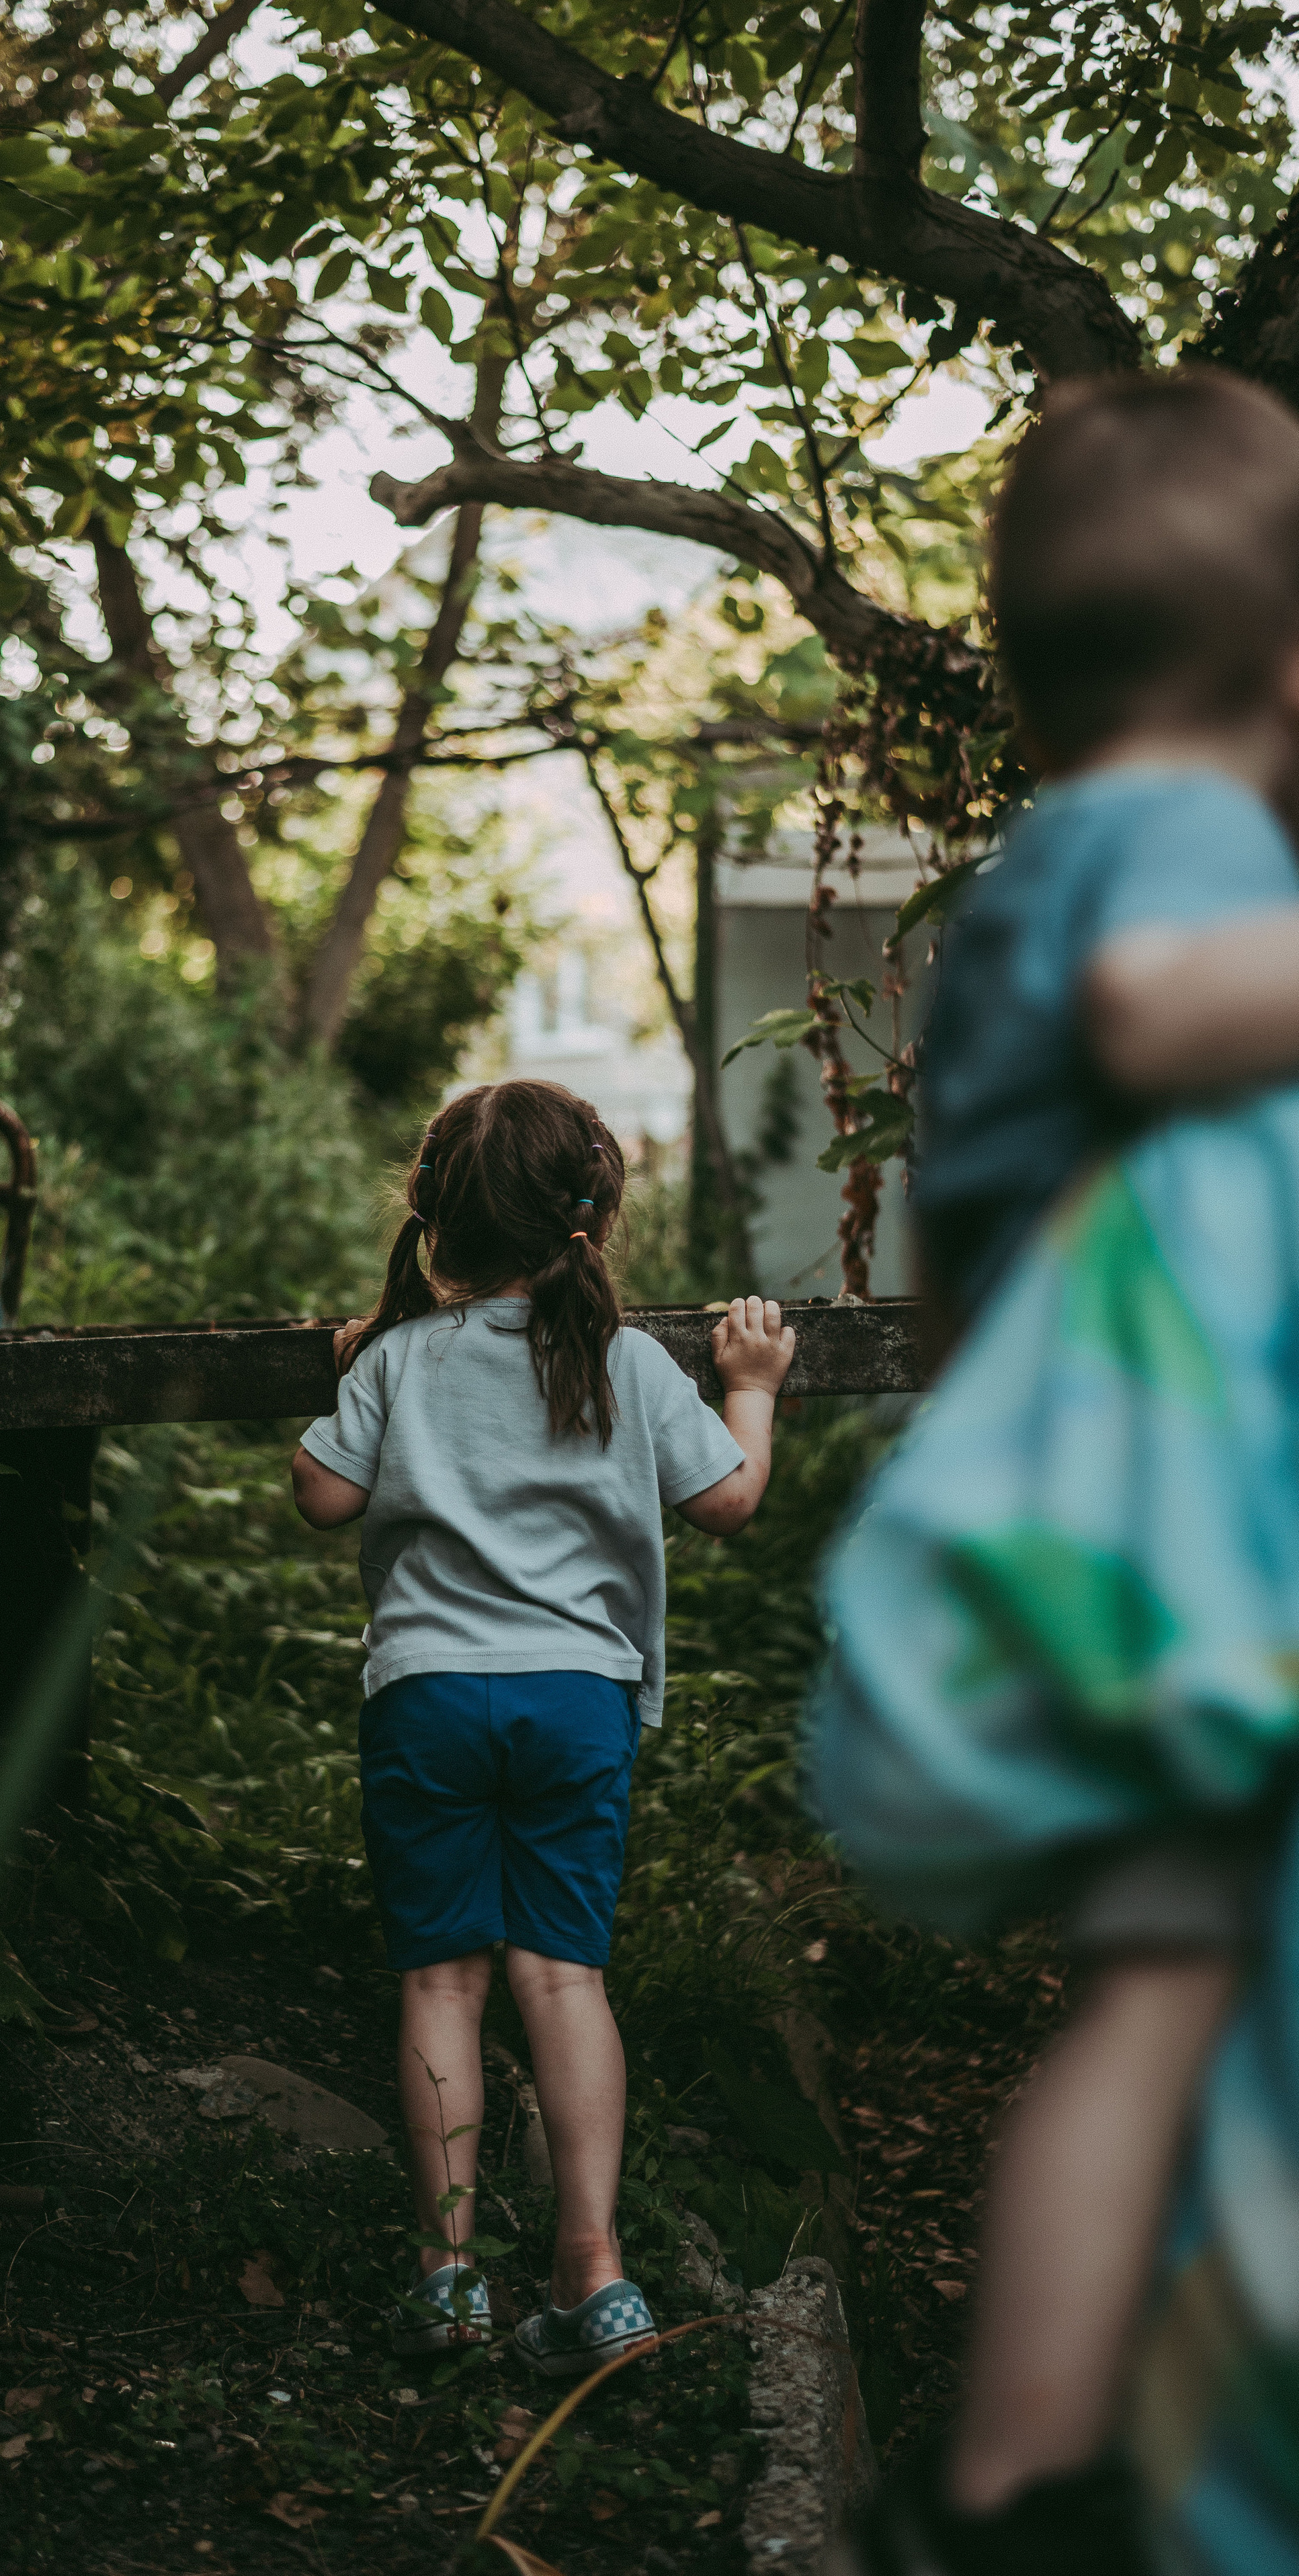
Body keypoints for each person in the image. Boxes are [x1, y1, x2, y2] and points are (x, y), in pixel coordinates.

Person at [841, 368, 1299, 2574]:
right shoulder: (1180, 834)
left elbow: (952, 1262)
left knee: (1144, 1986)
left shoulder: (1017, 874)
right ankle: (1031, 2481)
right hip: (1187, 1546)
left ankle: (1011, 2467)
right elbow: (1162, 1012)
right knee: (1179, 1988)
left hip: (1063, 1534)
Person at [290, 1078, 794, 2376]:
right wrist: (752, 1383)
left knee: (440, 1981)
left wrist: (359, 1364)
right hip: (576, 1702)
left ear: (435, 1226)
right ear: (591, 1218)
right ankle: (594, 2270)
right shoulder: (624, 1360)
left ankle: (450, 2275)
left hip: (429, 1698)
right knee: (562, 1979)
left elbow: (320, 1497)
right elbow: (730, 1501)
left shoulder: (401, 1357)